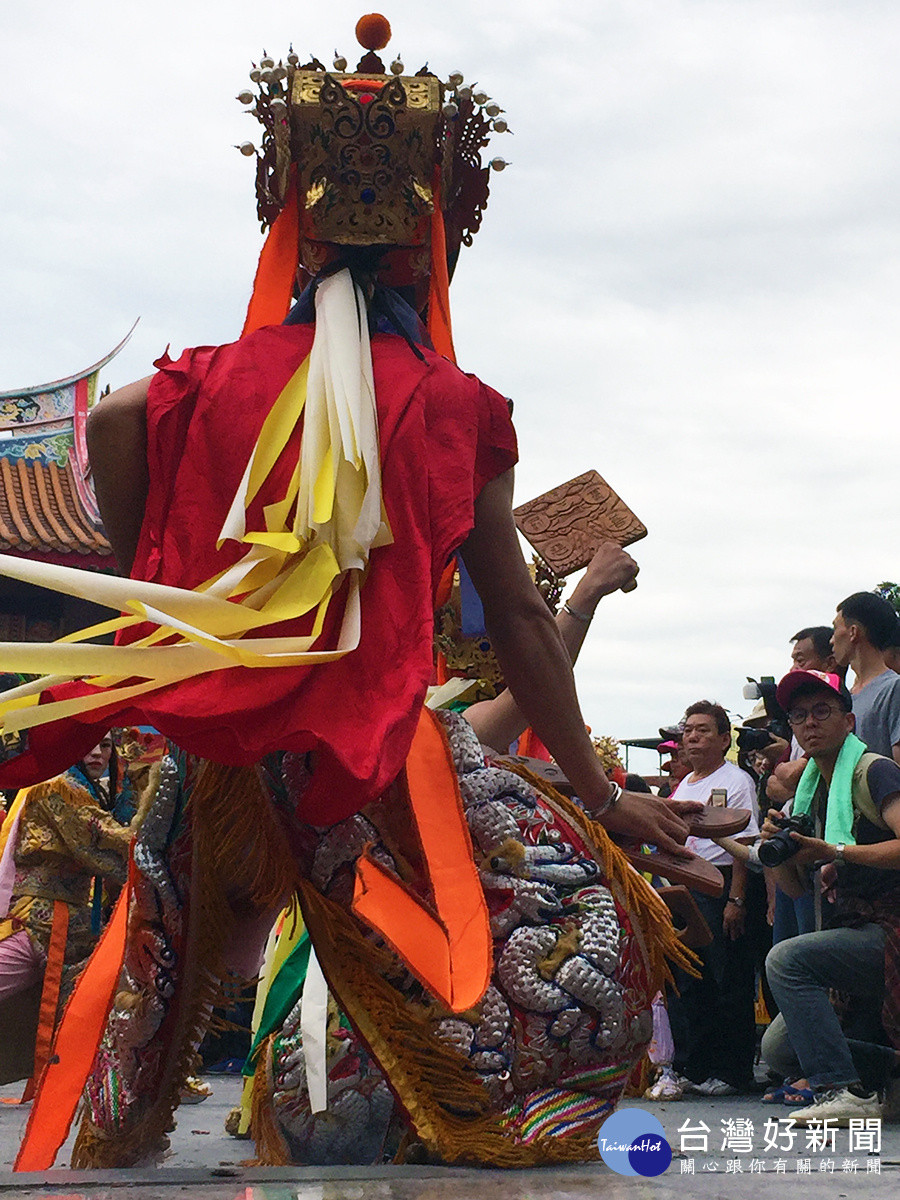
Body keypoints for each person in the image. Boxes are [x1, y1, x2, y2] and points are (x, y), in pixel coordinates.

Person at [0, 18, 693, 1171]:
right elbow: (517, 617)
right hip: (372, 757)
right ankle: (456, 1114)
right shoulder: (457, 402)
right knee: (567, 928)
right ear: (428, 247)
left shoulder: (208, 382)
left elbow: (115, 419)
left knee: (160, 966)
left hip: (219, 741)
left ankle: (123, 1135)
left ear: (291, 232)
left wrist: (155, 588)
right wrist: (599, 792)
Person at [760, 668, 900, 1124]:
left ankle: (844, 1091)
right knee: (778, 1047)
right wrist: (776, 852)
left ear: (849, 721)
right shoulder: (809, 796)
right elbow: (797, 888)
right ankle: (889, 1074)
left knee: (785, 960)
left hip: (891, 930)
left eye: (823, 711)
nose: (810, 723)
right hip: (857, 931)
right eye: (798, 715)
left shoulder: (873, 771)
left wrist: (834, 850)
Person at [0, 738, 132, 1086]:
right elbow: (98, 837)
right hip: (40, 921)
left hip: (70, 921)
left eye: (105, 745)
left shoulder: (88, 790)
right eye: (86, 744)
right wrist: (157, 845)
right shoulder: (59, 787)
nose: (96, 753)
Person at [666, 701, 760, 1095]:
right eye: (688, 729)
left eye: (703, 730)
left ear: (725, 739)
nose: (692, 736)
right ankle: (695, 1067)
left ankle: (733, 1071)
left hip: (722, 883)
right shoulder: (684, 784)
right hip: (684, 882)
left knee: (728, 978)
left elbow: (745, 842)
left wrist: (736, 900)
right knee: (689, 978)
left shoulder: (737, 781)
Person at [831, 591, 900, 763]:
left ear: (853, 632)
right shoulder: (846, 696)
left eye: (835, 629)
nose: (831, 640)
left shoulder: (894, 689)